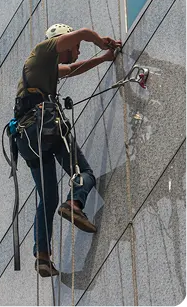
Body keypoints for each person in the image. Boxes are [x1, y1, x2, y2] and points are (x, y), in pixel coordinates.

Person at [14, 23, 121, 277]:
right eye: (76, 46)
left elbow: (73, 69)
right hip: (45, 126)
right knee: (85, 172)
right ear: (63, 42)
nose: (79, 50)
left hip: (27, 139)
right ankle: (74, 203)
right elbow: (84, 32)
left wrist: (104, 58)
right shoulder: (42, 52)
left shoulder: (43, 69)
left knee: (48, 198)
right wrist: (100, 42)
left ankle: (42, 256)